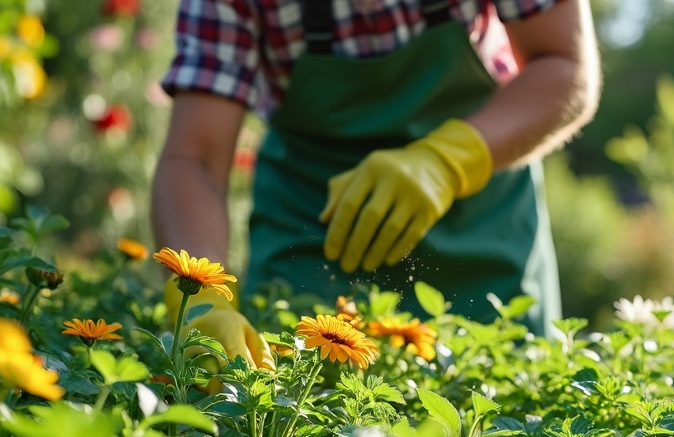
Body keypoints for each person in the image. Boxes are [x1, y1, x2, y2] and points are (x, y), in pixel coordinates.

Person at [151, 0, 602, 369]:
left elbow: (564, 64)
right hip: (315, 225)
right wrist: (198, 296)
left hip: (480, 218)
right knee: (295, 424)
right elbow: (196, 158)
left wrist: (447, 160)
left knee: (507, 425)